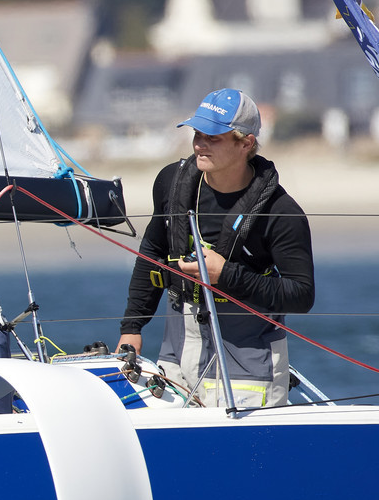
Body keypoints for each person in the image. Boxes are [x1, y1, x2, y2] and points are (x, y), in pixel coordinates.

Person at [116, 88, 314, 408]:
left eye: (213, 137)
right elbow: (151, 252)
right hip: (177, 357)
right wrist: (132, 327)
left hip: (249, 364)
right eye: (197, 134)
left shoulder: (282, 212)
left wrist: (227, 275)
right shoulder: (171, 183)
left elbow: (302, 295)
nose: (199, 144)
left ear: (246, 143)